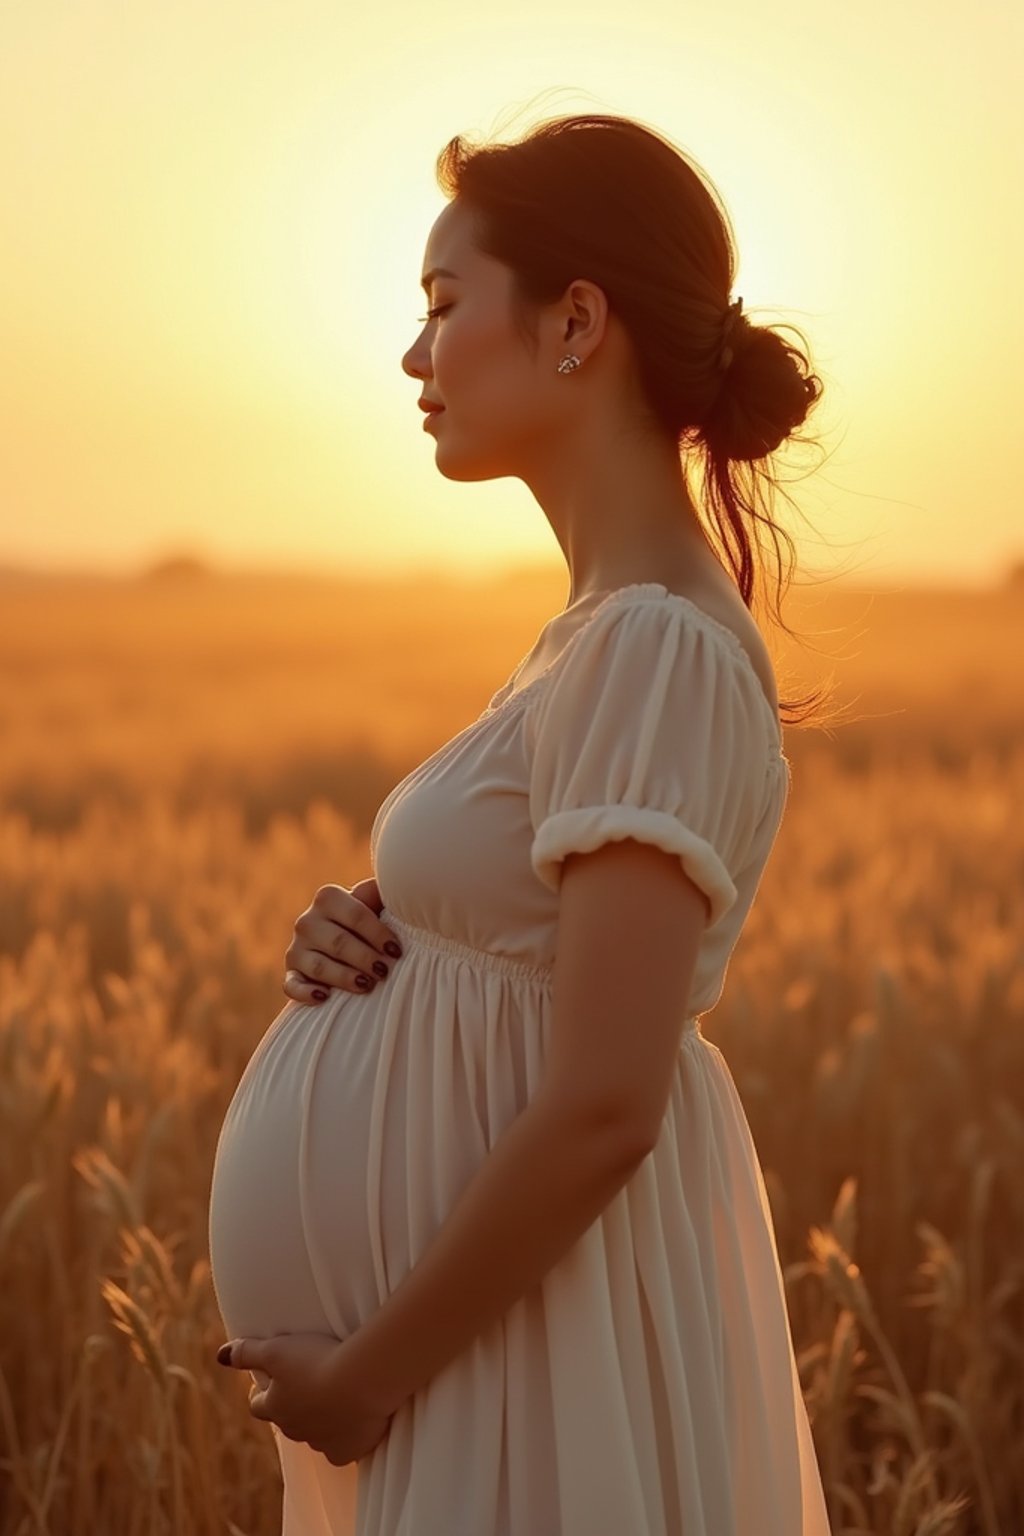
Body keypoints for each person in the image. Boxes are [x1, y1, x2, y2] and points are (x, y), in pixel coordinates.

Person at [208, 111, 833, 1535]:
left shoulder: (655, 649)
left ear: (576, 322)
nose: (415, 356)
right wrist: (373, 942)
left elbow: (608, 1101)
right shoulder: (593, 636)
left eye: (442, 306)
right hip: (502, 1346)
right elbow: (530, 970)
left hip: (533, 1355)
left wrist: (370, 1374)